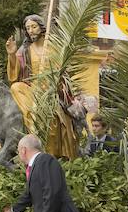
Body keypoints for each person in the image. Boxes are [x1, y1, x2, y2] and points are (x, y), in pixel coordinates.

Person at [6, 14, 78, 158]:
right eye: (28, 28)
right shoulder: (24, 51)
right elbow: (13, 77)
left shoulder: (54, 48)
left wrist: (54, 84)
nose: (31, 30)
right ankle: (30, 114)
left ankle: (49, 157)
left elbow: (64, 72)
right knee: (16, 87)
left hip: (51, 92)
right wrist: (12, 55)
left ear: (41, 27)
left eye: (34, 26)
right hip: (33, 91)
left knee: (52, 123)